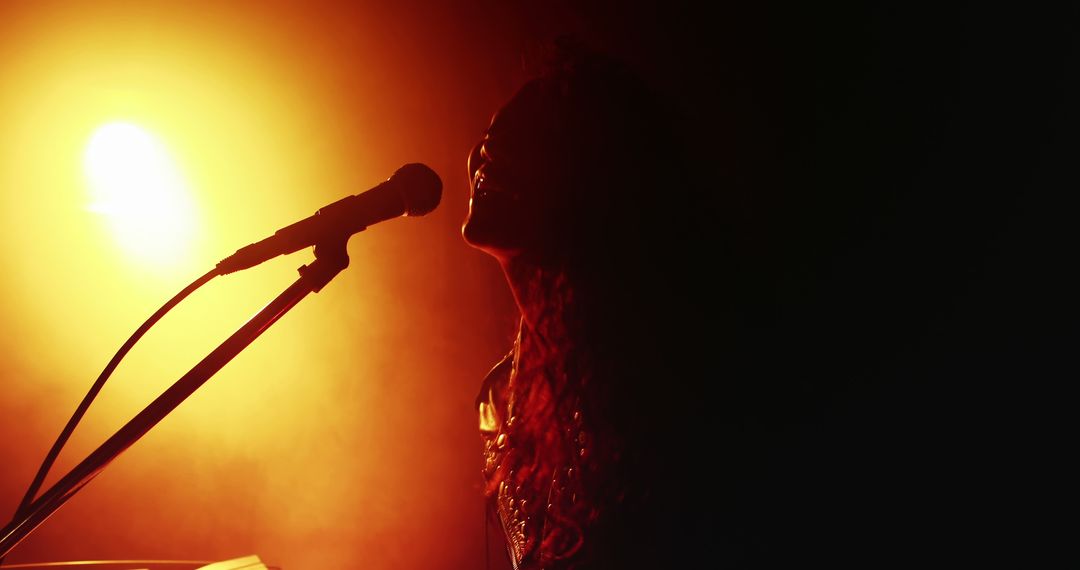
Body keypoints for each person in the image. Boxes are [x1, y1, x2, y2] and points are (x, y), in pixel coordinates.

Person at [461, 38, 722, 570]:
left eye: (522, 141)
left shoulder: (658, 382)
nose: (489, 149)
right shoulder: (504, 392)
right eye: (491, 136)